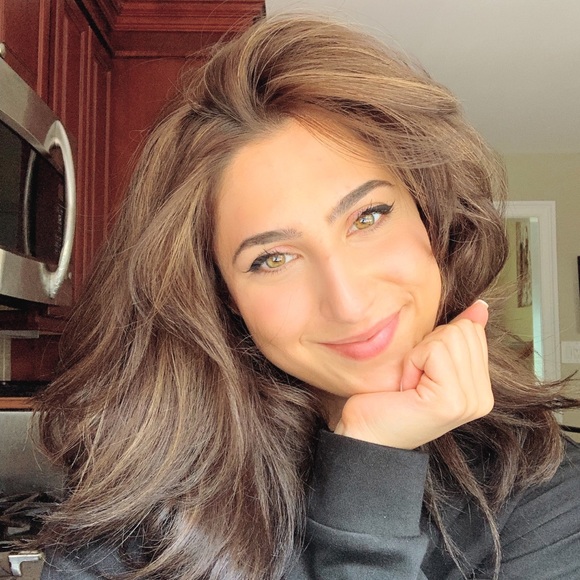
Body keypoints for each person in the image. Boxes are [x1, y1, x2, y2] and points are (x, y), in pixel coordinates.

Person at [35, 15, 579, 580]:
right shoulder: (141, 491)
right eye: (273, 259)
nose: (348, 302)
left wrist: (372, 474)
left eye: (368, 217)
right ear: (222, 294)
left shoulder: (544, 493)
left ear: (431, 216)